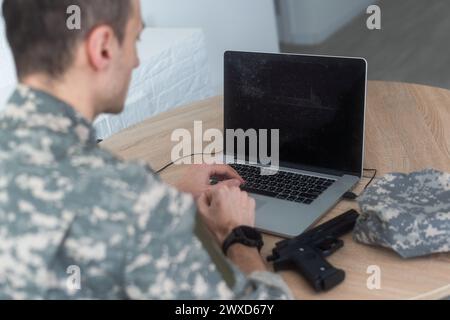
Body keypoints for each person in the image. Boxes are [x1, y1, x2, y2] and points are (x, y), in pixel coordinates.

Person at [0, 0, 292, 299]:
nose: (136, 60)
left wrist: (168, 201)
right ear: (102, 47)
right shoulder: (127, 198)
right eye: (135, 38)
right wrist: (236, 233)